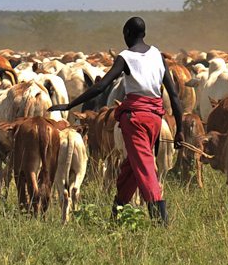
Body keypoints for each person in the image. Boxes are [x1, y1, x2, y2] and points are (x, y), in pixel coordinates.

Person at [51, 16, 184, 224]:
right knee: (130, 167)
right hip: (156, 119)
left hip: (135, 120)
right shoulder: (158, 55)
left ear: (127, 34)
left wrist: (69, 105)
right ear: (144, 34)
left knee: (145, 167)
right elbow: (174, 96)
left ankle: (161, 221)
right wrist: (180, 129)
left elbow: (101, 86)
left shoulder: (125, 57)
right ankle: (117, 215)